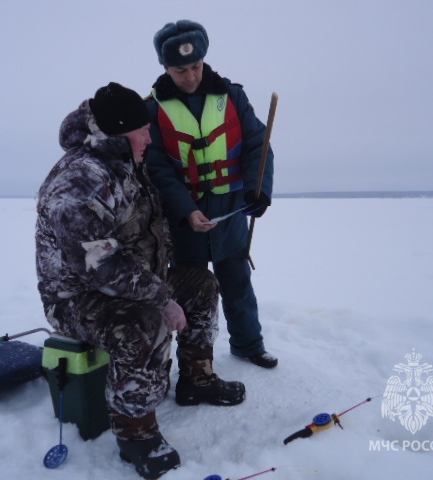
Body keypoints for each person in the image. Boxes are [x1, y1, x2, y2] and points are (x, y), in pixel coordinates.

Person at [35, 82, 245, 480]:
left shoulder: (127, 163)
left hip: (133, 282)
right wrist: (161, 298)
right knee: (144, 324)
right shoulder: (78, 182)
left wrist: (188, 219)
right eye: (143, 130)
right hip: (77, 299)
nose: (150, 136)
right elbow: (99, 265)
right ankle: (135, 433)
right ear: (118, 131)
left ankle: (197, 379)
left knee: (200, 284)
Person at [144, 20, 278, 369]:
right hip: (182, 217)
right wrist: (186, 210)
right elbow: (156, 168)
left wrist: (258, 189)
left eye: (195, 67)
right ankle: (193, 363)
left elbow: (257, 146)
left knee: (237, 281)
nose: (189, 76)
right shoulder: (153, 109)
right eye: (179, 70)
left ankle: (249, 344)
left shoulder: (232, 96)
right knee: (188, 290)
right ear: (165, 67)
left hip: (229, 209)